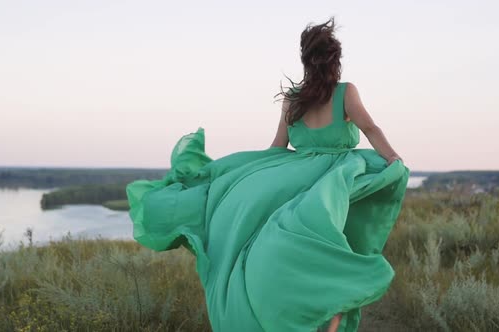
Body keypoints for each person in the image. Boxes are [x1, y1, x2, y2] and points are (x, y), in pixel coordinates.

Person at [126, 16, 409, 332]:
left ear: (305, 60)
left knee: (303, 255)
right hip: (334, 181)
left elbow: (278, 146)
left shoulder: (293, 100)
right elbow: (370, 128)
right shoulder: (346, 92)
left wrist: (242, 174)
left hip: (297, 178)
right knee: (332, 256)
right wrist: (393, 158)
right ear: (335, 61)